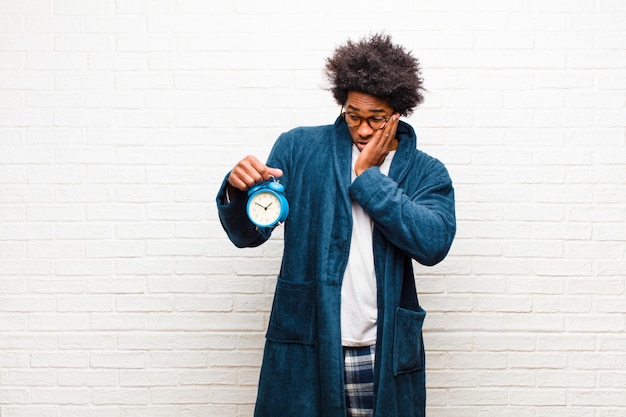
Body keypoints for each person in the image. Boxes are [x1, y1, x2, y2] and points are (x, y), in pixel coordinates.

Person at [216, 33, 456, 417]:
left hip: (383, 349)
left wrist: (368, 177)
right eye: (353, 115)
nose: (362, 130)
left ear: (398, 113)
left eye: (376, 119)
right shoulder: (298, 148)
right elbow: (249, 234)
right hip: (308, 341)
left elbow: (433, 244)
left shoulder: (426, 171)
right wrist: (237, 190)